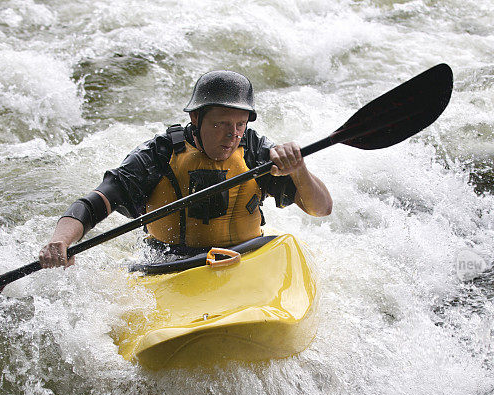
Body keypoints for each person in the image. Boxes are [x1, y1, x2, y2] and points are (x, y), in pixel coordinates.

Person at [39, 70, 332, 268]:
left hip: (245, 258)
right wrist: (60, 240)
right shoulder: (159, 154)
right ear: (195, 118)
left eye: (240, 124)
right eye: (220, 124)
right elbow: (95, 202)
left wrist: (299, 169)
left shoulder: (257, 152)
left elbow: (322, 209)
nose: (232, 135)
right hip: (169, 263)